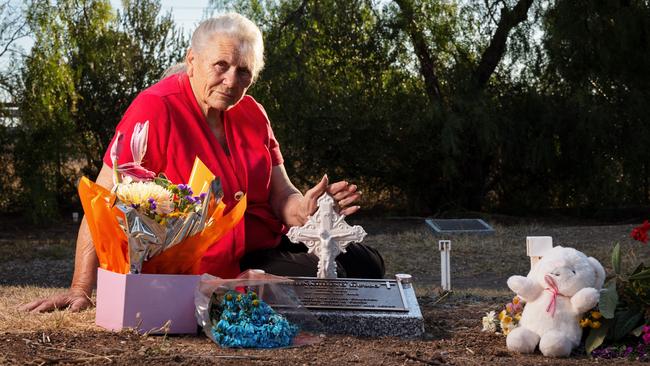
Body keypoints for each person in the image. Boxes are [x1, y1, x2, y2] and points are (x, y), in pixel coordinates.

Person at [21, 13, 384, 313]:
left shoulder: (254, 112)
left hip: (262, 245)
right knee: (334, 276)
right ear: (192, 61)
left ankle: (253, 289)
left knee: (366, 262)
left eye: (244, 71)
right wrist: (80, 287)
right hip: (201, 261)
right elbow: (103, 196)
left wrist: (306, 208)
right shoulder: (155, 107)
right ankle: (235, 292)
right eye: (221, 66)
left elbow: (281, 194)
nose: (231, 81)